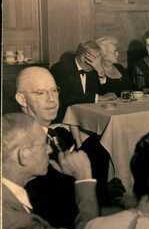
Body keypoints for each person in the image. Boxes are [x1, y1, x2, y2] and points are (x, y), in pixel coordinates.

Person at [2, 113, 99, 229]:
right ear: (24, 155)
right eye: (43, 144)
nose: (49, 150)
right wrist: (84, 179)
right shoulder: (10, 221)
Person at [16, 66, 122, 213]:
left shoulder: (51, 133)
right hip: (59, 226)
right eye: (40, 93)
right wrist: (87, 183)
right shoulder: (23, 147)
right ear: (22, 99)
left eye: (54, 91)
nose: (52, 100)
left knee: (98, 144)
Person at [50, 41, 116, 122]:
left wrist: (101, 73)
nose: (99, 63)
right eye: (97, 58)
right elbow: (67, 97)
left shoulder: (94, 69)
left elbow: (106, 94)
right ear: (83, 57)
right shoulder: (61, 69)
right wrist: (98, 97)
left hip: (88, 118)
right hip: (64, 120)